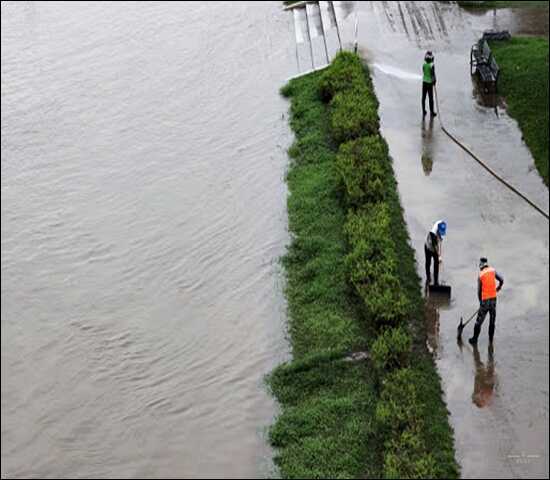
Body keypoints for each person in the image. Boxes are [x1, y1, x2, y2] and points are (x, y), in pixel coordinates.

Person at [469, 257, 504, 345]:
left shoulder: (480, 275)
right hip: (493, 300)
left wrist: (480, 302)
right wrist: (499, 287)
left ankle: (474, 339)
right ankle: (491, 340)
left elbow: (479, 291)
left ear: (480, 265)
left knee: (479, 321)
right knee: (492, 320)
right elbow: (502, 279)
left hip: (485, 301)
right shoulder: (493, 270)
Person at [424, 220, 446, 285]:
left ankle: (436, 281)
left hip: (435, 246)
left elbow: (440, 242)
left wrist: (440, 255)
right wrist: (439, 256)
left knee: (436, 263)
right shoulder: (432, 233)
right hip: (428, 247)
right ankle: (428, 278)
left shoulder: (442, 224)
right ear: (438, 230)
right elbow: (435, 246)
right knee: (428, 262)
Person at [422, 51, 437, 117]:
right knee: (431, 98)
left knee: (423, 97)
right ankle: (432, 112)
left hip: (424, 82)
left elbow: (424, 72)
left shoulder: (424, 64)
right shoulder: (432, 65)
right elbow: (432, 74)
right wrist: (434, 81)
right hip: (430, 83)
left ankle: (423, 111)